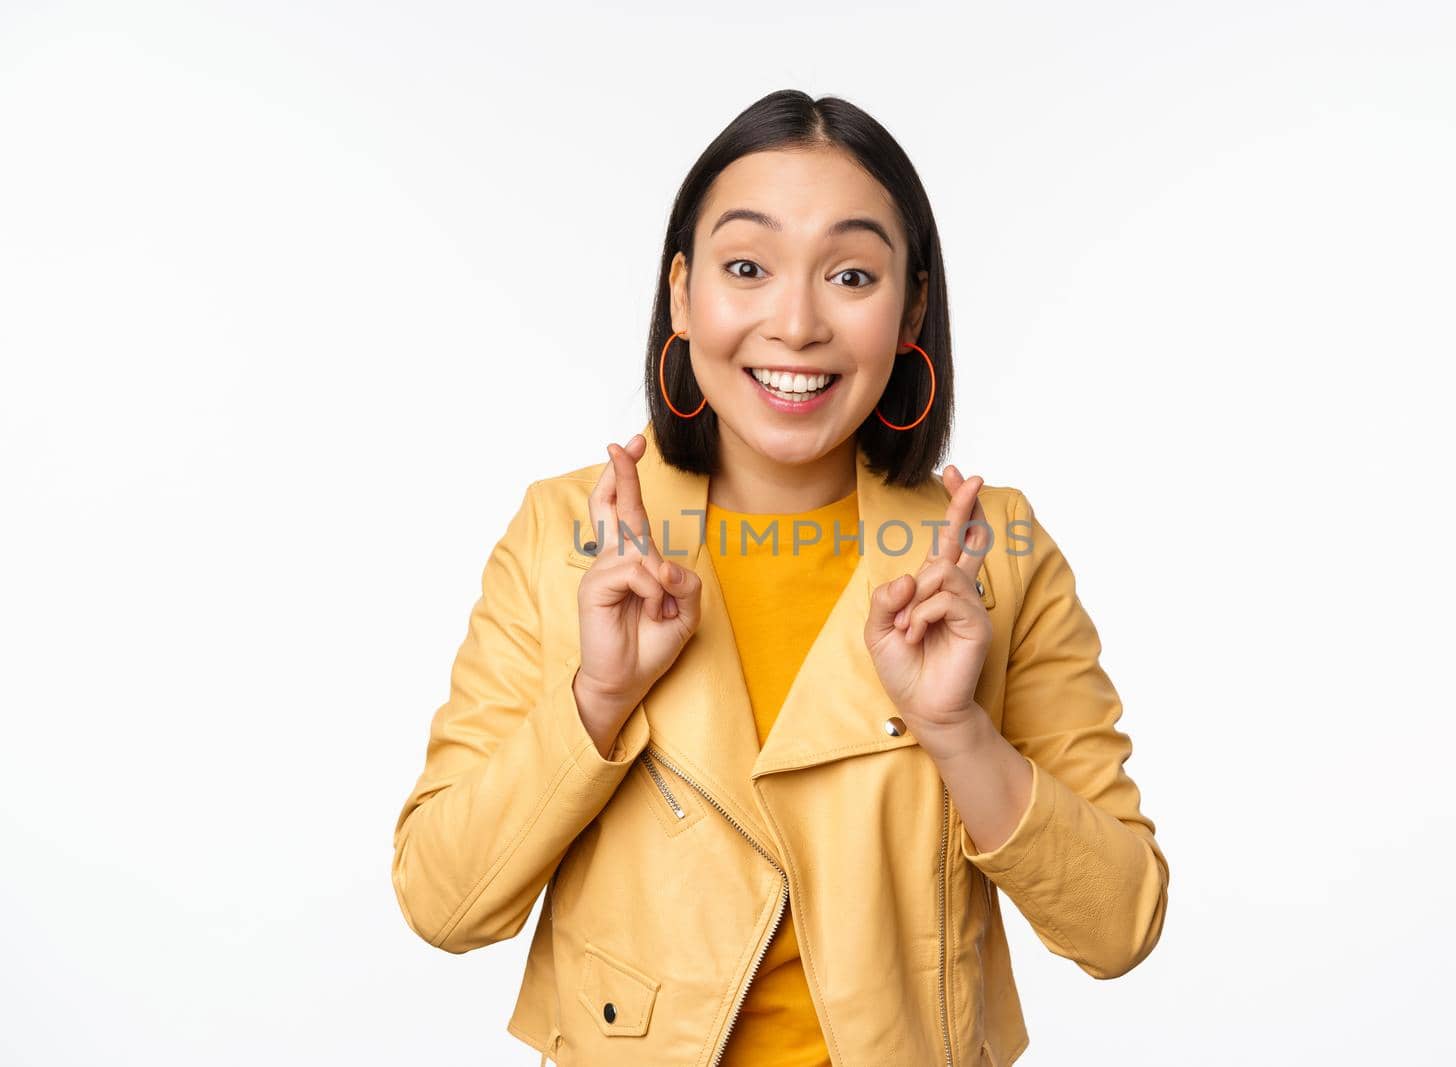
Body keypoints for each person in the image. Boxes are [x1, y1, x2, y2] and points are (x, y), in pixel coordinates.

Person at [390, 88, 1170, 1067]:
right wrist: (600, 697)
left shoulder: (991, 553)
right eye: (747, 267)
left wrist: (956, 730)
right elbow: (441, 900)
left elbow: (1118, 921)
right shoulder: (565, 535)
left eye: (849, 273)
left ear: (911, 305)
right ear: (681, 291)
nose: (795, 323)